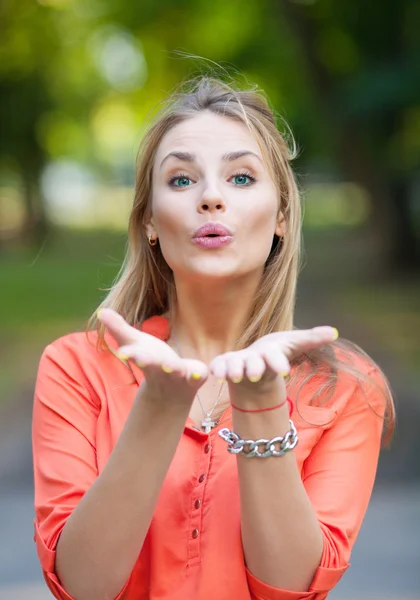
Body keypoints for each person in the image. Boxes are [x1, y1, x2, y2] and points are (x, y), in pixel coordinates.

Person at [32, 76, 395, 600]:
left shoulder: (345, 389)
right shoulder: (76, 368)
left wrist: (261, 403)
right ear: (150, 222)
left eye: (241, 178)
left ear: (283, 220)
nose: (210, 198)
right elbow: (84, 588)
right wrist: (160, 401)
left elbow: (289, 589)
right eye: (181, 180)